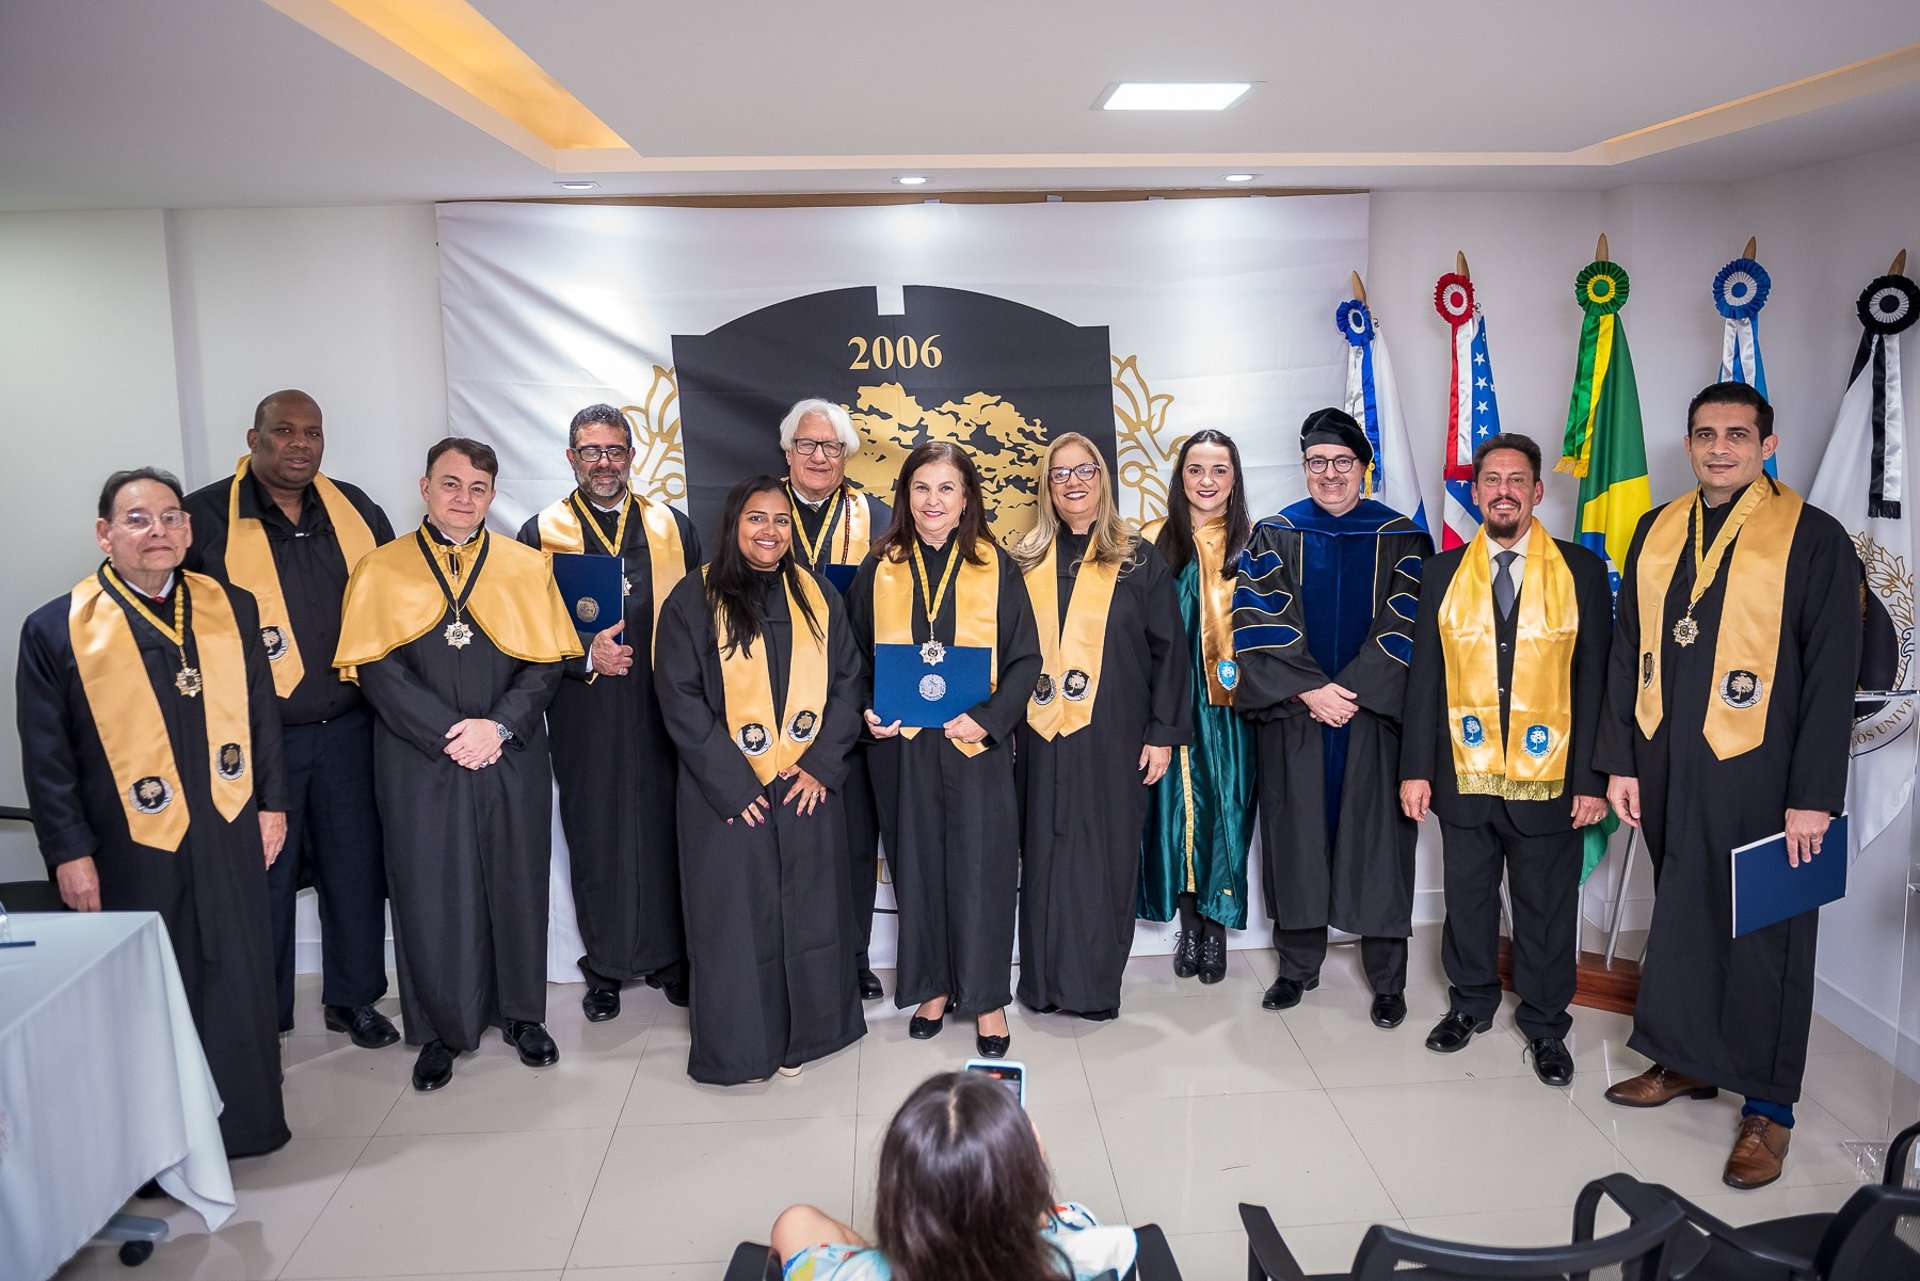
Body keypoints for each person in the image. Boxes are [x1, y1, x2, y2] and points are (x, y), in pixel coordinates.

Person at [1596, 383, 1862, 1190]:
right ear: (1689, 441)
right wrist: (1621, 760)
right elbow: (1628, 647)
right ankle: (1683, 1060)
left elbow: (1832, 676)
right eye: (1706, 433)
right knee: (1683, 908)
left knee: (1769, 929)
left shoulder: (1813, 538)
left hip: (1767, 766)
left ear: (1768, 444)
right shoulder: (1657, 528)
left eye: (1738, 434)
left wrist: (1814, 791)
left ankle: (1770, 1109)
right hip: (1670, 756)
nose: (1720, 448)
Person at [17, 467, 291, 1157]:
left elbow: (263, 716)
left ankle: (245, 1125)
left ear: (189, 529)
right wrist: (68, 852)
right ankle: (154, 1142)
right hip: (127, 844)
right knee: (148, 985)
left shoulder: (228, 604)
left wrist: (274, 804)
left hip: (228, 825)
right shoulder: (57, 628)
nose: (159, 531)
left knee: (237, 971)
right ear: (105, 533)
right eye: (138, 519)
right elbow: (46, 758)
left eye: (171, 517)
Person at [334, 438, 581, 1092]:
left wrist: (496, 726)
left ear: (493, 495)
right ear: (424, 486)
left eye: (477, 487)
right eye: (450, 484)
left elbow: (548, 661)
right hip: (422, 759)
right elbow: (376, 671)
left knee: (517, 880)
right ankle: (442, 1028)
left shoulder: (526, 566)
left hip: (510, 750)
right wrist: (450, 732)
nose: (463, 498)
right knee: (429, 889)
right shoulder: (380, 570)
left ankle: (524, 1015)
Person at [182, 389, 398, 1049]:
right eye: (284, 431)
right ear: (254, 438)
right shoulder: (205, 516)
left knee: (354, 868)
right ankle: (263, 1012)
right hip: (257, 737)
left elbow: (396, 602)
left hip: (352, 728)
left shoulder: (355, 509)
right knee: (262, 876)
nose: (300, 443)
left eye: (312, 432)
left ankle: (354, 999)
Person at [1399, 433, 1612, 1086]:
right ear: (1476, 491)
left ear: (1537, 491)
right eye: (1491, 479)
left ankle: (1548, 1025)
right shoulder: (1441, 572)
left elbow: (1597, 679)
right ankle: (1470, 1004)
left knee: (1545, 905)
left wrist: (1592, 780)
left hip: (1550, 779)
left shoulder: (1579, 570)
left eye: (1516, 479)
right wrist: (1415, 767)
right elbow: (1425, 679)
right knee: (1467, 898)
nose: (1503, 491)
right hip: (1463, 770)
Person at [652, 477, 867, 1084]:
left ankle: (811, 1034)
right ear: (733, 525)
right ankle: (743, 1048)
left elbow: (849, 683)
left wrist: (823, 765)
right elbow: (680, 699)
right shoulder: (691, 600)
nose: (768, 531)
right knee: (735, 922)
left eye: (779, 520)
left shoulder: (818, 594)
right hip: (725, 794)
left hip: (804, 786)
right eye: (755, 519)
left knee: (810, 914)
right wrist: (734, 784)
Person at [1232, 407, 1431, 1028]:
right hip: (1298, 718)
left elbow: (1411, 625)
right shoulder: (1274, 534)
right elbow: (1257, 624)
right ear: (1305, 468)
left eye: (1342, 463)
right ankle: (1297, 967)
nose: (1329, 474)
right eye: (1317, 463)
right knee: (1296, 840)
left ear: (1364, 469)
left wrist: (1352, 691)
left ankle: (1388, 980)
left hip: (1373, 721)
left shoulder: (1401, 537)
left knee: (1380, 845)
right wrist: (1310, 692)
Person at [847, 442, 1041, 1059]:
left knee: (982, 870)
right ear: (905, 496)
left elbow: (1024, 659)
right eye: (922, 487)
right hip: (902, 749)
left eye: (947, 488)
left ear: (966, 500)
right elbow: (850, 659)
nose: (933, 501)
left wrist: (987, 722)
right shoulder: (879, 567)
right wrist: (866, 712)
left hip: (974, 746)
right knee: (918, 865)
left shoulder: (997, 566)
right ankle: (930, 987)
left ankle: (985, 998)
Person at [517, 403, 700, 1019]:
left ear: (631, 456)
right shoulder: (539, 532)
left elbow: (700, 617)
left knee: (668, 825)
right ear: (570, 457)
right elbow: (525, 628)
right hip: (584, 704)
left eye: (615, 450)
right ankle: (606, 965)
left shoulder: (673, 526)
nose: (603, 462)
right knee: (596, 833)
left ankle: (674, 957)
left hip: (662, 701)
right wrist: (582, 656)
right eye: (590, 451)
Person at [1011, 433, 1188, 1020]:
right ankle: (1041, 984)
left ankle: (1092, 988)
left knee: (1103, 854)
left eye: (1083, 470)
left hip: (1114, 732)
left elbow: (1171, 651)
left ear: (1102, 478)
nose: (1073, 483)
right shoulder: (1025, 558)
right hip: (1037, 734)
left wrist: (1162, 732)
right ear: (1047, 487)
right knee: (1043, 856)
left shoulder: (1138, 559)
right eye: (1060, 475)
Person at [771, 1072, 1137, 1281]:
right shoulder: (1088, 1249)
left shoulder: (850, 1277)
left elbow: (796, 1233)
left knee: (795, 1221)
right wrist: (1036, 1205)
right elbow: (1055, 1223)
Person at [779, 397, 891, 1002]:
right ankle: (792, 956)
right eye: (806, 445)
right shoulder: (759, 515)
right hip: (771, 707)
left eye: (831, 447)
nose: (819, 457)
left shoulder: (878, 518)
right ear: (788, 452)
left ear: (846, 455)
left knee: (852, 841)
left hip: (856, 701)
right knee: (786, 839)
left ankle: (852, 956)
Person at [1140, 429, 1257, 984]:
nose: (1206, 481)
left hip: (1230, 705)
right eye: (1195, 470)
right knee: (1175, 813)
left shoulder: (1255, 544)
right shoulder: (1149, 540)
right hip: (1166, 699)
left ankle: (1217, 930)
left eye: (1218, 470)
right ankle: (1190, 924)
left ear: (1234, 479)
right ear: (1179, 476)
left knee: (1225, 811)